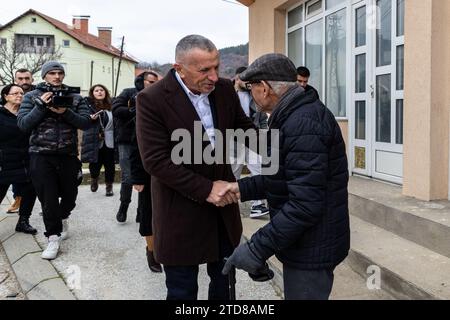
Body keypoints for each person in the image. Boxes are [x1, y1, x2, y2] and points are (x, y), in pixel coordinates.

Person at [135, 35, 255, 300]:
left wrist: (280, 149)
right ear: (179, 68)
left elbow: (244, 129)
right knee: (182, 290)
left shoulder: (224, 89)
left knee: (225, 284)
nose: (214, 77)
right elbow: (156, 160)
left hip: (223, 210)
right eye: (204, 70)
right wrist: (206, 189)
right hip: (180, 209)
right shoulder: (151, 99)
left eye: (216, 67)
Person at [222, 54, 350, 300]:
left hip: (312, 250)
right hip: (303, 245)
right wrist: (239, 188)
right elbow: (280, 177)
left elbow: (304, 204)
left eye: (251, 88)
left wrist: (256, 248)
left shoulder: (304, 123)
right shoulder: (291, 116)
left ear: (265, 88)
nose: (251, 94)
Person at [17, 61, 91, 260]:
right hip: (40, 154)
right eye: (52, 73)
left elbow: (86, 123)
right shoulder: (32, 96)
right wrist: (41, 106)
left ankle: (64, 216)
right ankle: (53, 237)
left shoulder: (75, 97)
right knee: (48, 198)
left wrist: (65, 112)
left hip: (67, 154)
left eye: (59, 73)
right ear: (44, 76)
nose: (56, 76)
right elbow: (23, 124)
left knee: (70, 195)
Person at [112, 71, 159, 224]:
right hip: (127, 140)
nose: (154, 85)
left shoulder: (156, 96)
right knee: (128, 177)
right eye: (151, 82)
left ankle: (141, 212)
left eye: (155, 82)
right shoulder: (128, 93)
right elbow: (116, 109)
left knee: (144, 176)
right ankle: (123, 206)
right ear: (142, 81)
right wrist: (135, 110)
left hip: (146, 141)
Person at [130, 72, 162, 272]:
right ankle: (151, 251)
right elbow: (136, 147)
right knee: (148, 213)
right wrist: (137, 177)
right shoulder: (142, 107)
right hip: (148, 172)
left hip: (172, 170)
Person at [232, 66, 269, 218]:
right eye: (244, 78)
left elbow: (261, 116)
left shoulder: (253, 93)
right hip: (232, 139)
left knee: (258, 168)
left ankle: (258, 205)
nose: (247, 82)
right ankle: (228, 204)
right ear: (237, 78)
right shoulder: (227, 94)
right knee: (232, 173)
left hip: (253, 138)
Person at [0, 84, 37, 235]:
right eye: (15, 93)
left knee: (30, 190)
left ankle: (23, 221)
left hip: (26, 159)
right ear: (5, 96)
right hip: (4, 161)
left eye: (22, 93)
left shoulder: (26, 114)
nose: (20, 95)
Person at [6, 69, 36, 214]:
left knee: (35, 180)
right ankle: (18, 197)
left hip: (35, 144)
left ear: (32, 79)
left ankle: (44, 204)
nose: (24, 82)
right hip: (12, 148)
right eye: (20, 79)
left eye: (27, 78)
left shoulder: (39, 95)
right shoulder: (10, 97)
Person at [81, 84, 116, 197]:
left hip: (110, 140)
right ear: (93, 93)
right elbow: (81, 119)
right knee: (94, 165)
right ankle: (94, 179)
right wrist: (89, 118)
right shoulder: (87, 106)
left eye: (102, 90)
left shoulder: (111, 105)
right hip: (94, 140)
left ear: (105, 92)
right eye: (97, 90)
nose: (99, 92)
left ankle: (109, 187)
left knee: (110, 165)